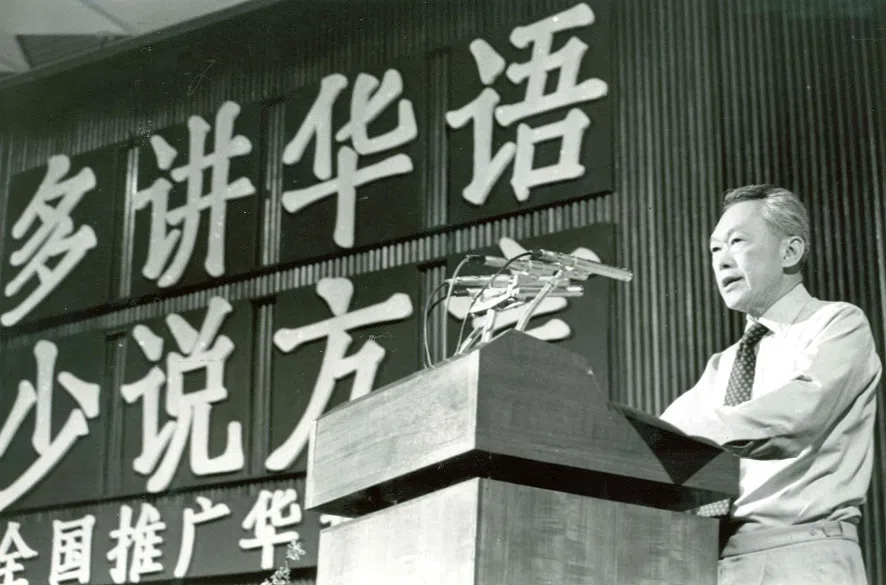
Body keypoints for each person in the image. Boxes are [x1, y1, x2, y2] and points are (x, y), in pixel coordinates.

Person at [659, 184, 881, 585]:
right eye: (714, 249)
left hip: (803, 555)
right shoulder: (722, 365)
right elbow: (661, 434)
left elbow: (797, 414)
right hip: (719, 561)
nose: (721, 260)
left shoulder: (837, 324)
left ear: (790, 252)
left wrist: (683, 437)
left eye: (737, 242)